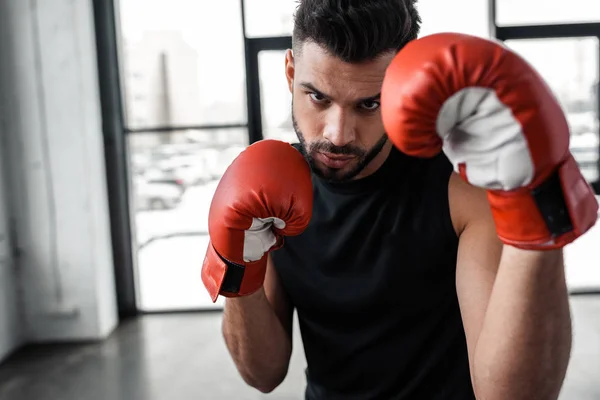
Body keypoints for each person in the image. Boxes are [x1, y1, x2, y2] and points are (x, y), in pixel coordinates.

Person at [201, 1, 599, 399]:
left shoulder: (459, 189)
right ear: (291, 73)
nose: (338, 134)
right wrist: (239, 262)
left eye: (368, 104)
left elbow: (511, 396)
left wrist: (532, 204)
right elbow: (262, 373)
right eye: (318, 98)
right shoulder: (269, 193)